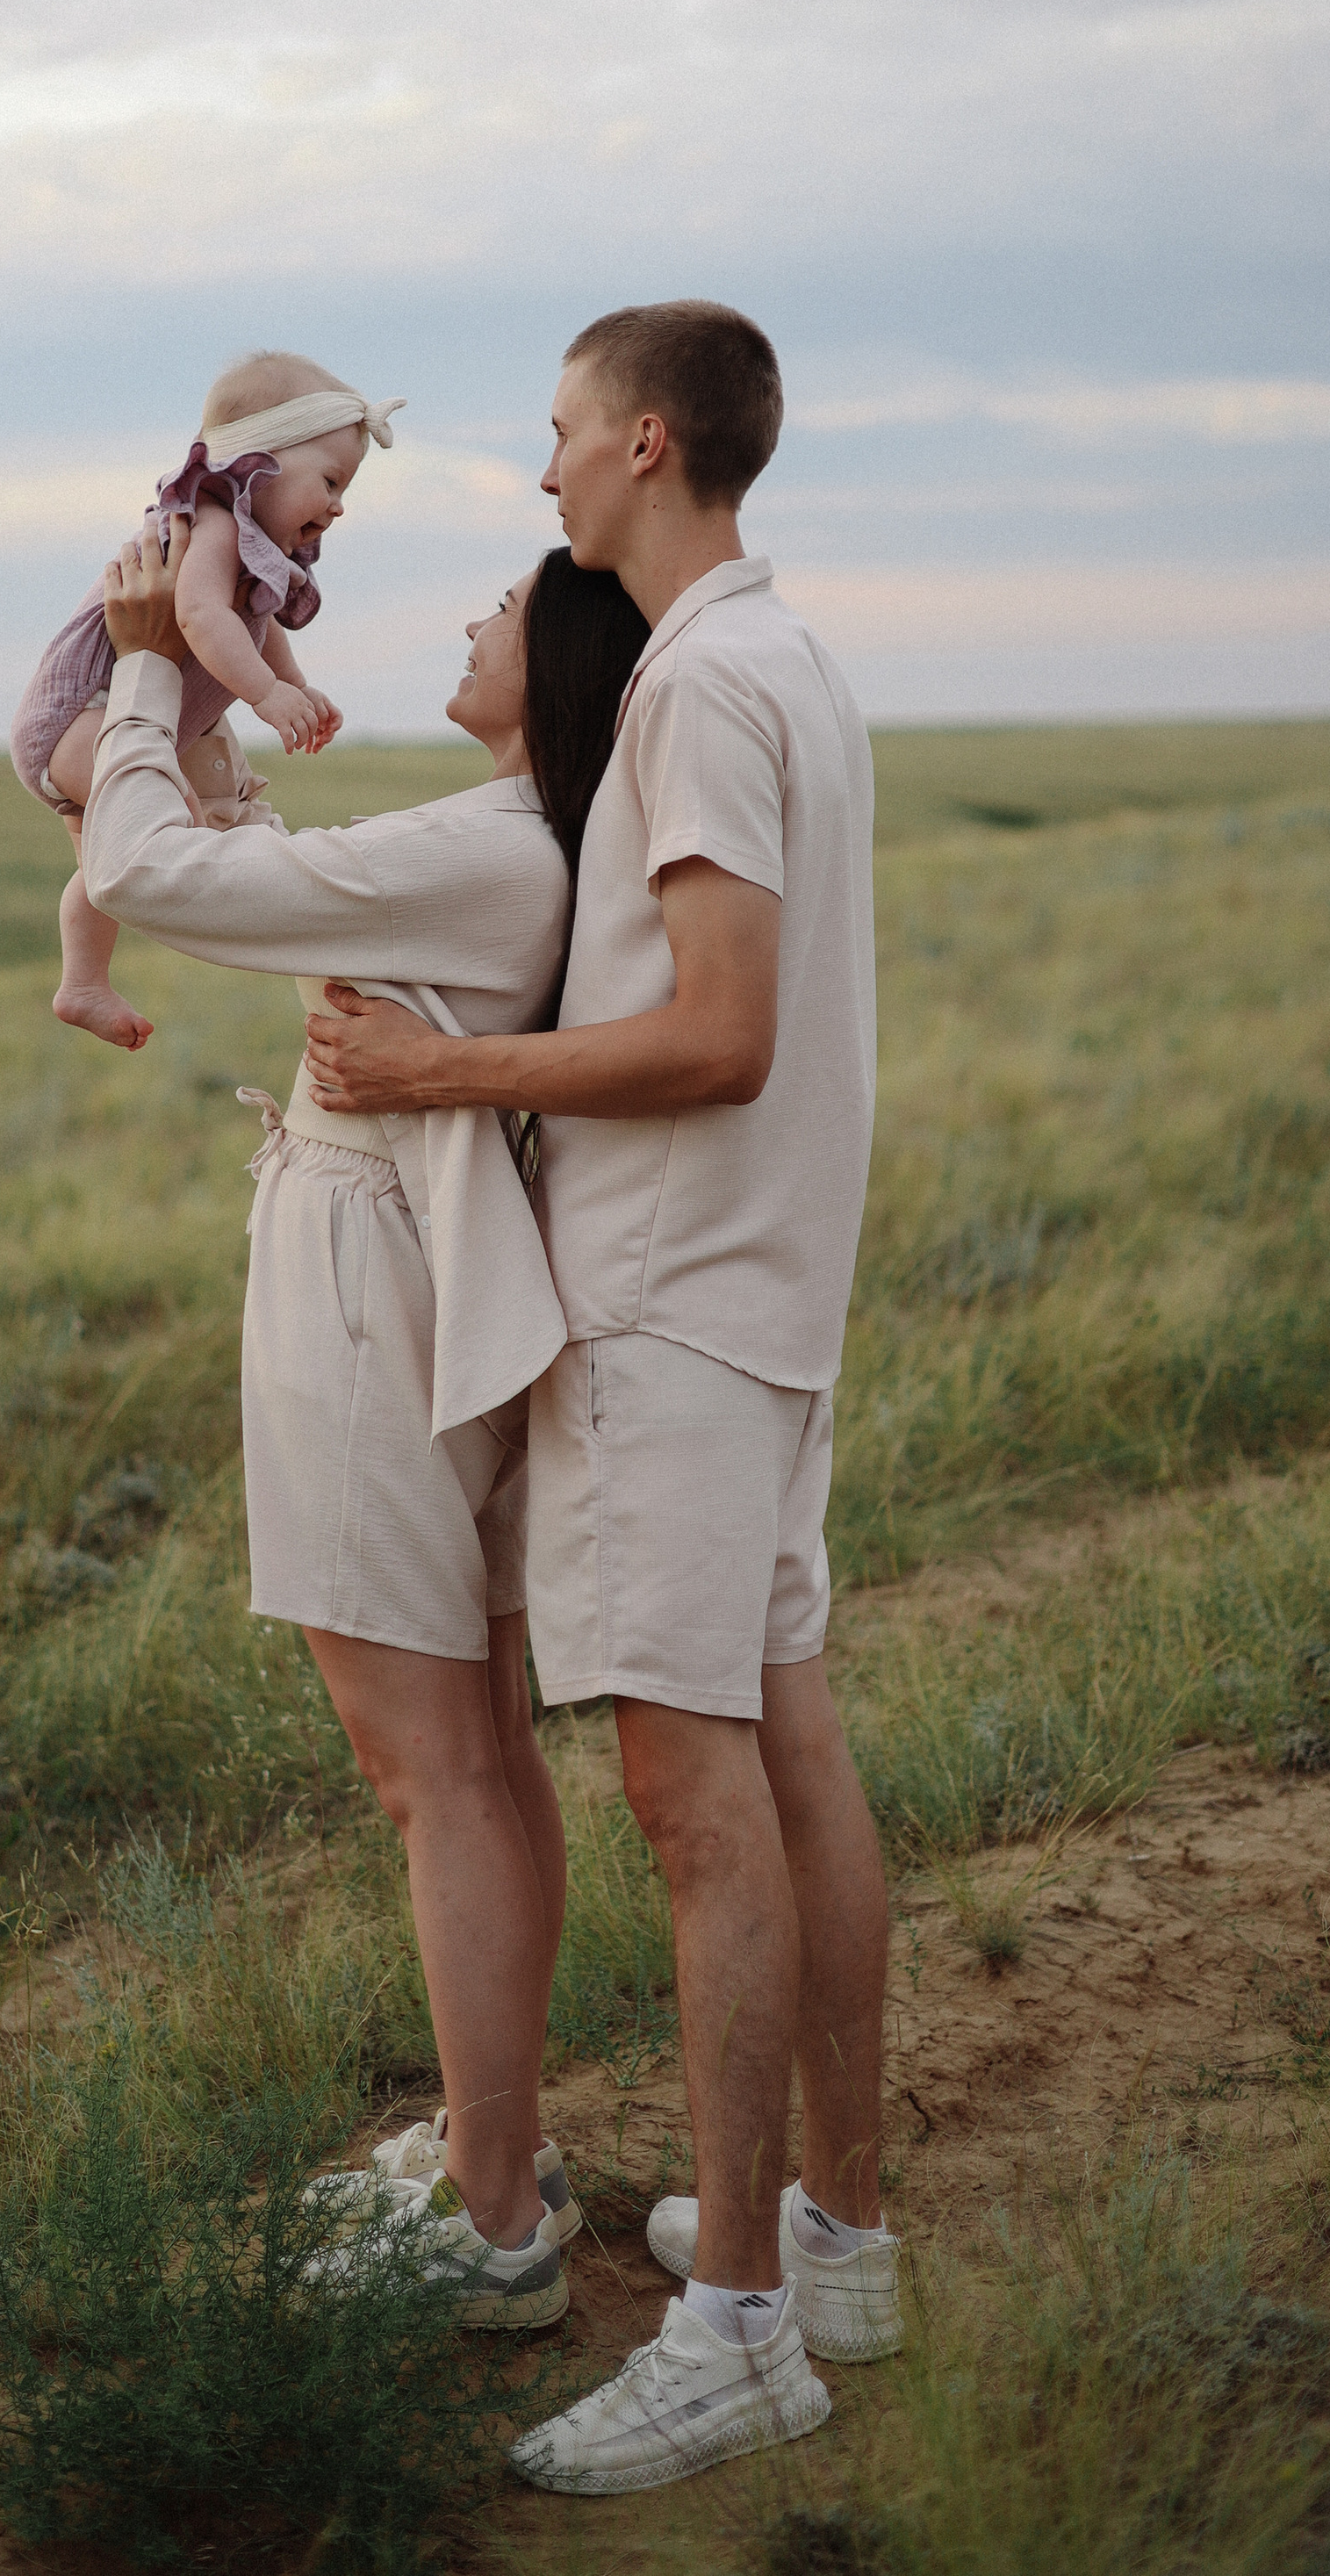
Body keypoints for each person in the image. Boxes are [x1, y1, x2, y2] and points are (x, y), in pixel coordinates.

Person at [304, 299, 896, 2495]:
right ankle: (830, 2239)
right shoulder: (790, 660)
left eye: (555, 434)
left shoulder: (699, 679)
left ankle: (736, 2326)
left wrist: (442, 1064)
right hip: (760, 1290)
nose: (537, 474)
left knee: (689, 1793)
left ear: (644, 442)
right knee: (784, 1743)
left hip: (670, 1303)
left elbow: (720, 1026)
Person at [85, 526, 651, 2332]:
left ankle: (488, 2227)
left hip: (368, 1278)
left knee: (428, 1766)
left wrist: (146, 663)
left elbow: (151, 870)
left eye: (499, 612)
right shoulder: (535, 847)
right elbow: (275, 873)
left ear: (553, 673)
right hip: (435, 1270)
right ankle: (507, 2158)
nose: (474, 618)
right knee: (477, 1742)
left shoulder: (496, 850)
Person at [9, 351, 403, 1050]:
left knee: (107, 867)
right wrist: (267, 695)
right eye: (332, 480)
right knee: (167, 825)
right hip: (84, 716)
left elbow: (259, 622)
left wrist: (297, 685)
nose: (340, 504)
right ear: (258, 463)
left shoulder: (259, 547)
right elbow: (200, 618)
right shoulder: (213, 523)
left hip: (119, 723)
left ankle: (83, 983)